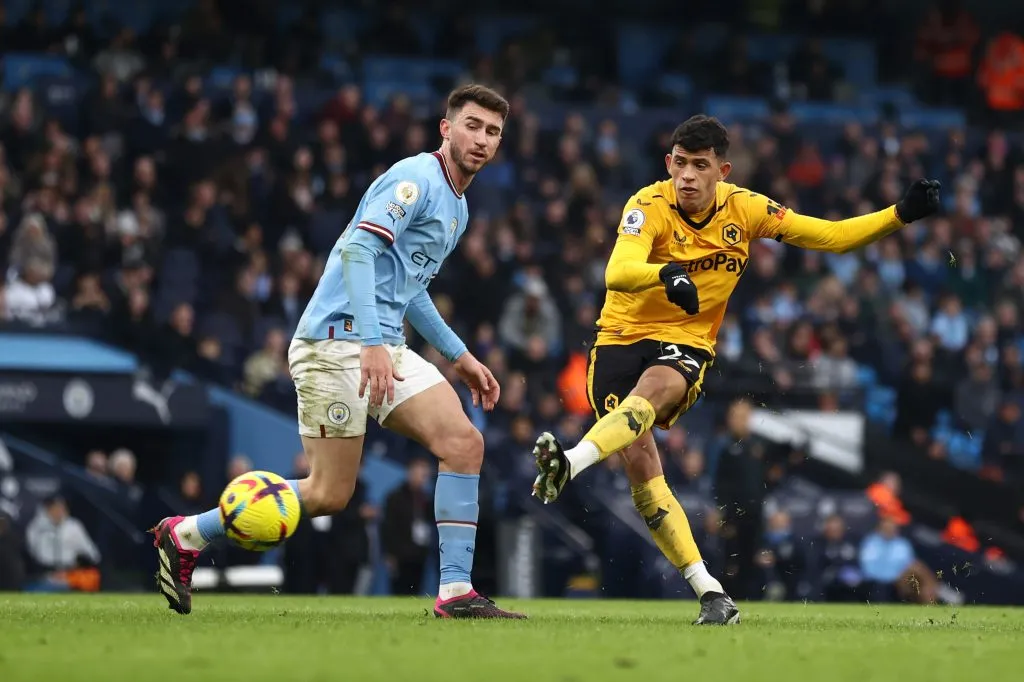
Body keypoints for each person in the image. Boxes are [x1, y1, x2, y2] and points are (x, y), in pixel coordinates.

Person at [531, 114, 941, 625]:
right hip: (618, 342)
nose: (687, 176)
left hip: (684, 343)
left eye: (700, 166)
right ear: (668, 163)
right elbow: (617, 270)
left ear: (721, 171)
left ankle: (569, 462)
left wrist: (898, 214)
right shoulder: (647, 204)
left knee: (653, 393)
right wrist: (666, 274)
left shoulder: (746, 210)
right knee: (643, 475)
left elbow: (831, 237)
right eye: (679, 164)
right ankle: (710, 593)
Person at [152, 84, 525, 619]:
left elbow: (408, 287)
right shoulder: (415, 179)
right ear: (446, 128)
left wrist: (458, 354)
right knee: (329, 494)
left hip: (383, 343)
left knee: (464, 443)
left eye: (493, 132)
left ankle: (455, 592)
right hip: (333, 344)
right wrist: (370, 341)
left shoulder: (458, 208)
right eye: (472, 125)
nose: (482, 139)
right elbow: (357, 251)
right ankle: (186, 533)